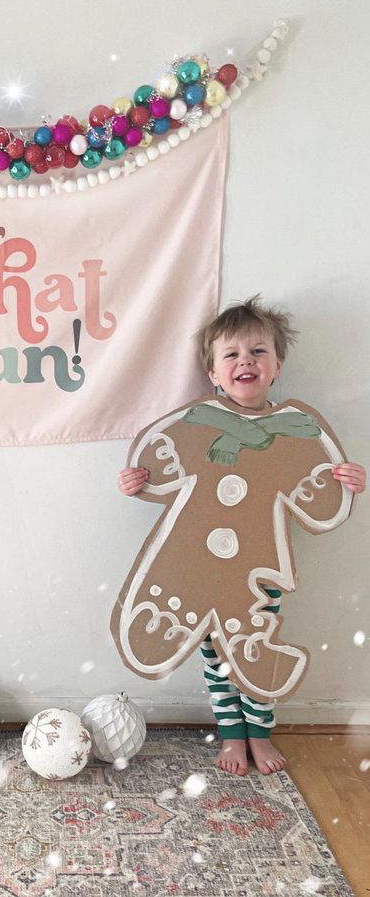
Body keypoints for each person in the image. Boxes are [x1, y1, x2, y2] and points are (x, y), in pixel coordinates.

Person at [117, 297, 365, 776]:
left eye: (257, 352)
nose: (244, 361)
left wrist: (346, 483)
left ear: (277, 366)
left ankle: (259, 733)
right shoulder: (196, 426)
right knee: (213, 652)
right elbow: (156, 468)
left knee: (252, 643)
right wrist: (135, 481)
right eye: (230, 355)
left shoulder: (298, 431)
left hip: (257, 566)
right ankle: (232, 733)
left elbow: (321, 496)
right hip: (196, 562)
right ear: (212, 373)